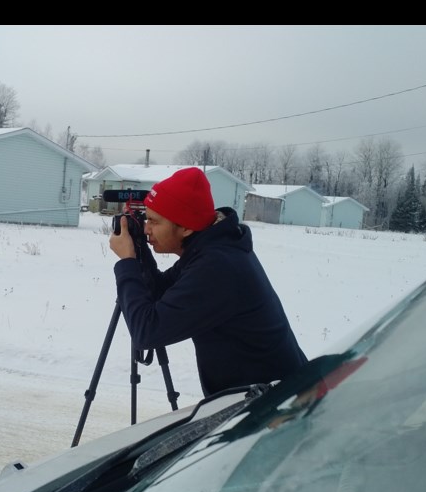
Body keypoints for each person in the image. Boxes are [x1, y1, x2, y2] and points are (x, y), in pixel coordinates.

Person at [109, 166, 307, 397]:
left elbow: (147, 332)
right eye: (145, 219)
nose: (146, 229)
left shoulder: (217, 267)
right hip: (267, 396)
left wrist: (127, 264)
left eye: (154, 221)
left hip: (276, 407)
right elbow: (161, 291)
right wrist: (139, 252)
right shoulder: (212, 250)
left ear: (185, 227)